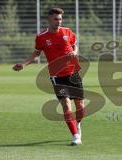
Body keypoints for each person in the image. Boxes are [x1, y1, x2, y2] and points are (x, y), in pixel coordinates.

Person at [13, 8, 85, 146]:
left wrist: (74, 52)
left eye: (60, 19)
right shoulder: (41, 37)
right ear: (49, 19)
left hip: (73, 73)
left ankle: (77, 124)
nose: (58, 21)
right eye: (56, 19)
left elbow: (75, 46)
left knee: (80, 107)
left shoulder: (68, 32)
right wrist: (23, 64)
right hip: (57, 76)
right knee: (66, 104)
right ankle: (76, 135)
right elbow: (36, 53)